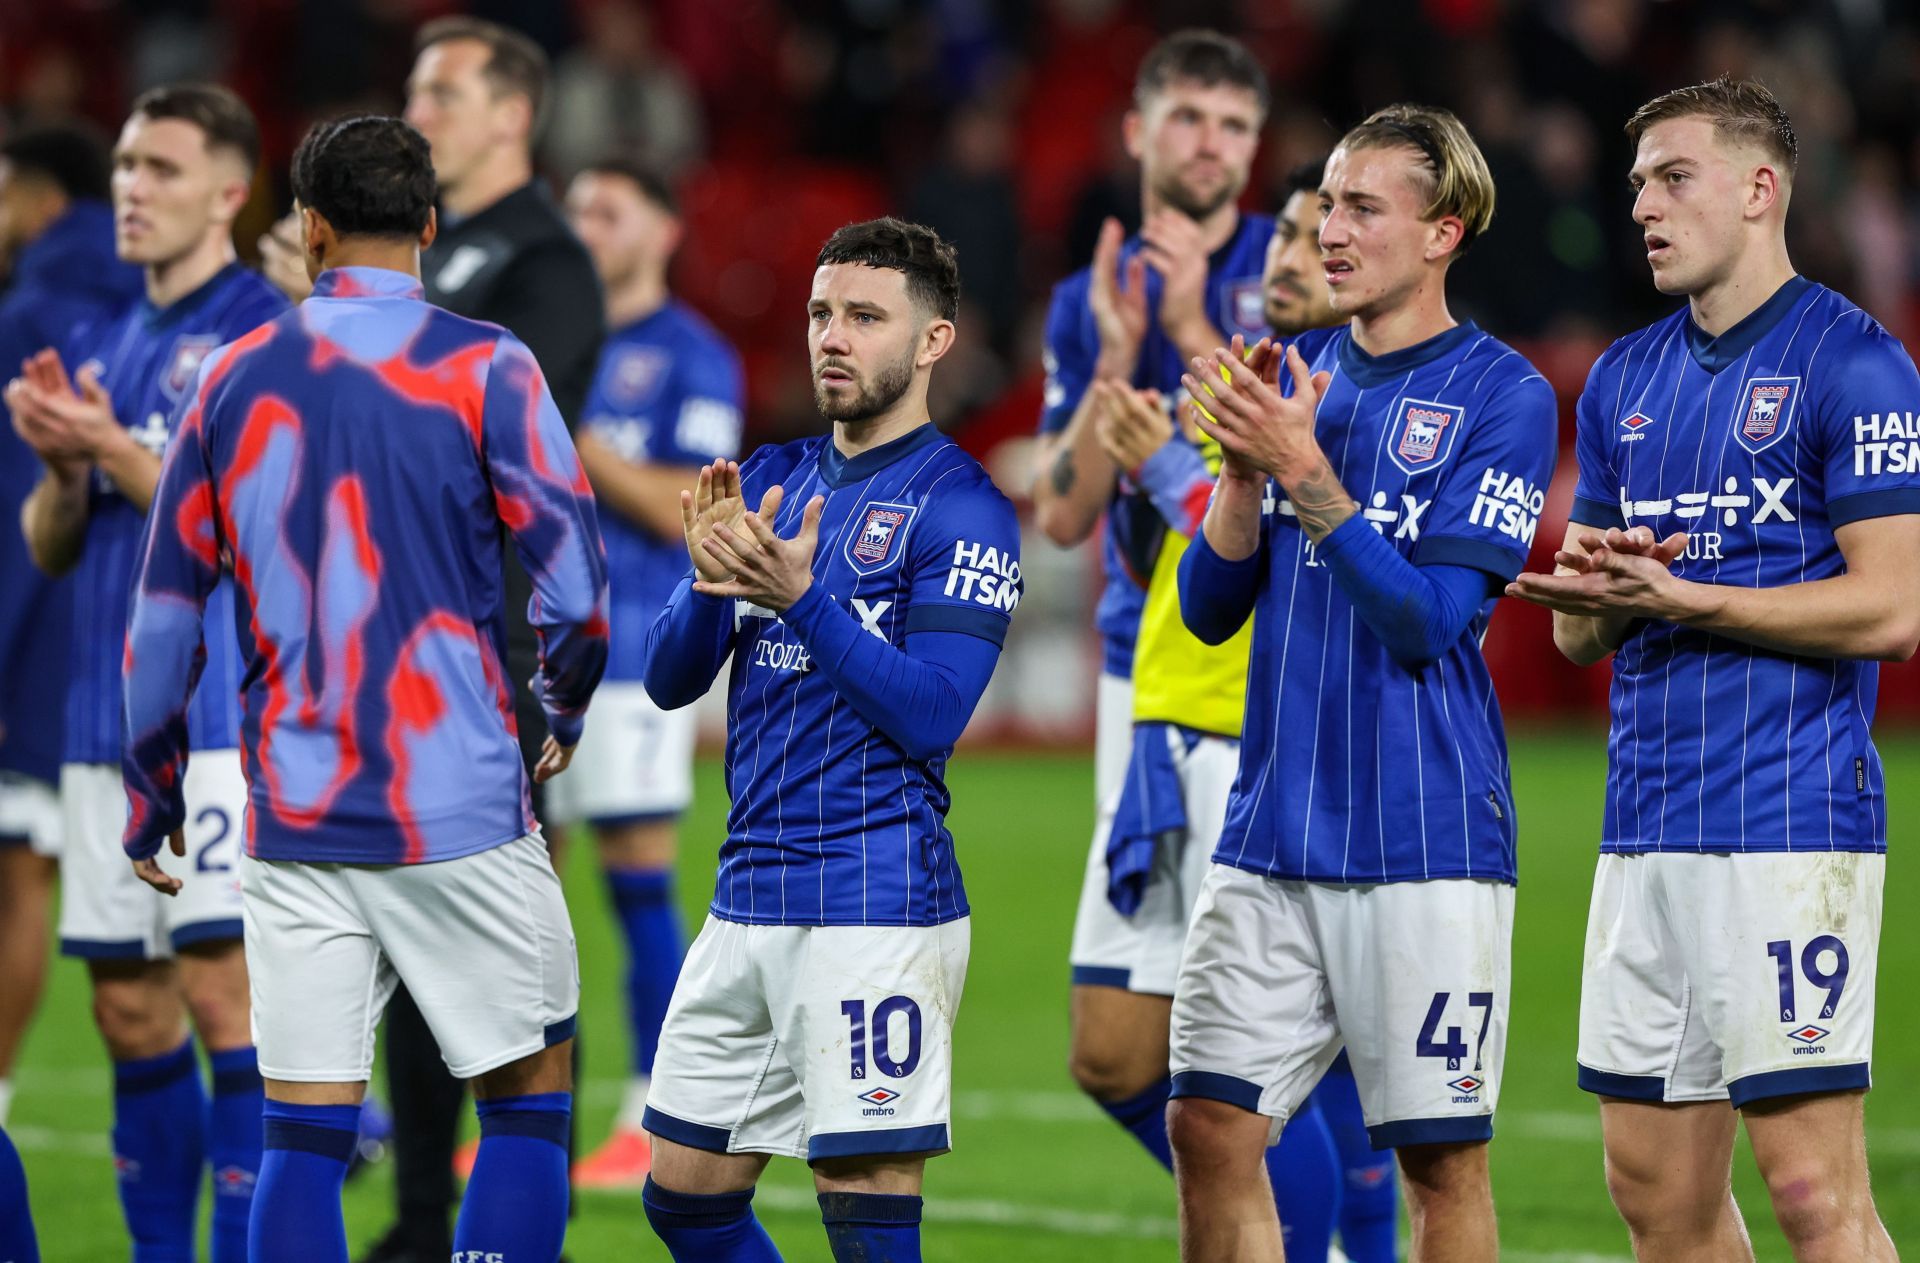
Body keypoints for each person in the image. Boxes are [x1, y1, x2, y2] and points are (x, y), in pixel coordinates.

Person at [119, 113, 608, 1263]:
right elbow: (578, 592)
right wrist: (567, 708)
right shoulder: (490, 364)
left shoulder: (230, 379)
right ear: (431, 227)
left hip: (293, 813)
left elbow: (162, 616)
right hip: (460, 803)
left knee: (303, 1131)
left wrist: (152, 791)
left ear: (310, 227)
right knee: (528, 1098)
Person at [1509, 78, 1912, 1262]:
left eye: (1672, 177)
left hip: (1789, 827)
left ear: (1758, 189)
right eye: (1636, 182)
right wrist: (1595, 595)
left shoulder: (1858, 362)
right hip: (1646, 830)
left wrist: (1691, 597)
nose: (1643, 203)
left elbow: (1896, 606)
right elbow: (1585, 637)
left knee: (1809, 1192)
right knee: (1656, 1199)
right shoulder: (1627, 379)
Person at [1171, 104, 1557, 1262]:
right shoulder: (1296, 376)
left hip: (1425, 839)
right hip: (1272, 830)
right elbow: (1205, 609)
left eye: (1361, 208)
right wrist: (1245, 479)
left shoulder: (1505, 396)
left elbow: (1433, 623)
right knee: (1207, 1123)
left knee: (1440, 1164)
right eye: (1327, 204)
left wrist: (1307, 470)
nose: (1329, 231)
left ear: (1443, 232)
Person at [264, 18, 607, 1256]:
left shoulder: (544, 266)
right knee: (473, 1002)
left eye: (446, 88)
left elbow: (519, 470)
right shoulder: (443, 287)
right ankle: (425, 1219)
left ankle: (451, 1222)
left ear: (514, 113)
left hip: (474, 675)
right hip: (408, 699)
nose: (427, 108)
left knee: (491, 1010)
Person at [638, 218, 1020, 1262]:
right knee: (683, 1196)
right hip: (747, 893)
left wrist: (804, 599)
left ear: (933, 342)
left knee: (860, 1208)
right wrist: (710, 584)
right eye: (819, 315)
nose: (832, 339)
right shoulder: (776, 473)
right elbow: (670, 680)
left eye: (863, 317)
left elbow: (938, 711)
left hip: (873, 899)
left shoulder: (965, 509)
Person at [1027, 30, 1324, 1221]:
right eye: (1190, 119)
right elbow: (1060, 513)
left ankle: (1323, 1238)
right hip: (1135, 671)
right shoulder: (1084, 297)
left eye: (1234, 126)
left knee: (1288, 1034)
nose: (1212, 145)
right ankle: (1300, 1233)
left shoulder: (1303, 259)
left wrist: (1199, 322)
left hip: (1264, 671)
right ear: (1139, 132)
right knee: (1114, 1053)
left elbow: (1296, 463)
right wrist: (1107, 356)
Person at [10, 84, 286, 1263]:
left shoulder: (261, 330)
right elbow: (50, 545)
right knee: (127, 1008)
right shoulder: (115, 337)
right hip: (96, 720)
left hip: (215, 722)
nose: (132, 188)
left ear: (230, 194)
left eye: (162, 169)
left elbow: (233, 514)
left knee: (224, 996)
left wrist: (110, 447)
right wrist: (64, 476)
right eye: (124, 166)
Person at [559, 157, 745, 1188]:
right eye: (577, 207)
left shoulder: (690, 356)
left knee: (636, 877)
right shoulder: (554, 338)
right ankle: (522, 1116)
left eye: (608, 209)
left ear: (664, 231)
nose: (586, 223)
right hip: (535, 645)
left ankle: (652, 1112)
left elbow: (695, 501)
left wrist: (580, 446)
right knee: (520, 891)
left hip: (635, 649)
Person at [0, 121, 142, 1131]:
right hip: (151, 660)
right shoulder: (153, 311)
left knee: (16, 882)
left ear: (42, 201)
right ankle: (337, 1114)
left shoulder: (26, 317)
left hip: (41, 646)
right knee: (185, 939)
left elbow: (18, 519)